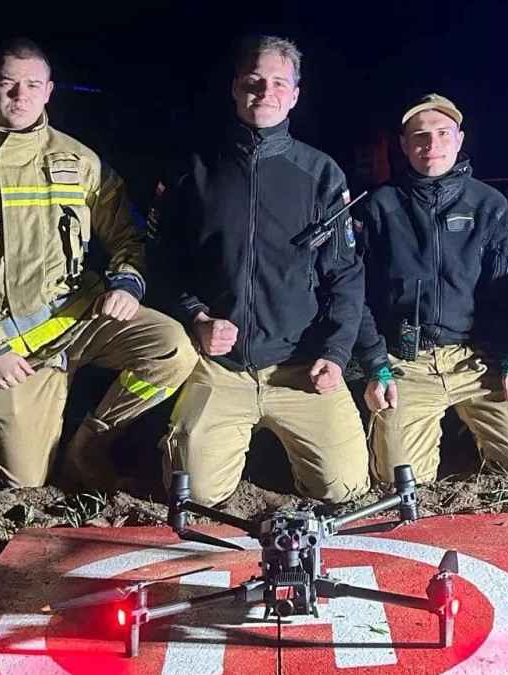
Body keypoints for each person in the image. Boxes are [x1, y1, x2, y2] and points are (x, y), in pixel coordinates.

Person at [0, 37, 198, 489]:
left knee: (172, 349)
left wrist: (126, 284)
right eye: (8, 84)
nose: (21, 96)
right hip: (6, 344)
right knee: (24, 482)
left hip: (82, 317)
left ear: (49, 91)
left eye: (32, 85)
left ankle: (88, 446)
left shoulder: (79, 159)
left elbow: (128, 233)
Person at [150, 35, 370, 506]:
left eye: (277, 83)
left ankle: (285, 451)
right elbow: (163, 267)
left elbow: (345, 277)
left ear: (294, 95)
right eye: (253, 81)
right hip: (220, 368)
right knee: (194, 494)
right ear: (235, 88)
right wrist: (196, 317)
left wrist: (333, 353)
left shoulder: (321, 173)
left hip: (298, 365)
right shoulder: (193, 171)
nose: (263, 92)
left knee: (345, 488)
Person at [355, 94, 508, 486]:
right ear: (405, 143)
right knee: (398, 481)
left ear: (459, 139)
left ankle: (465, 428)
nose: (432, 145)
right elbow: (356, 296)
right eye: (420, 136)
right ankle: (408, 427)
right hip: (405, 360)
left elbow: (502, 293)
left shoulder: (489, 204)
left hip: (475, 358)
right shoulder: (379, 206)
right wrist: (376, 363)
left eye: (443, 133)